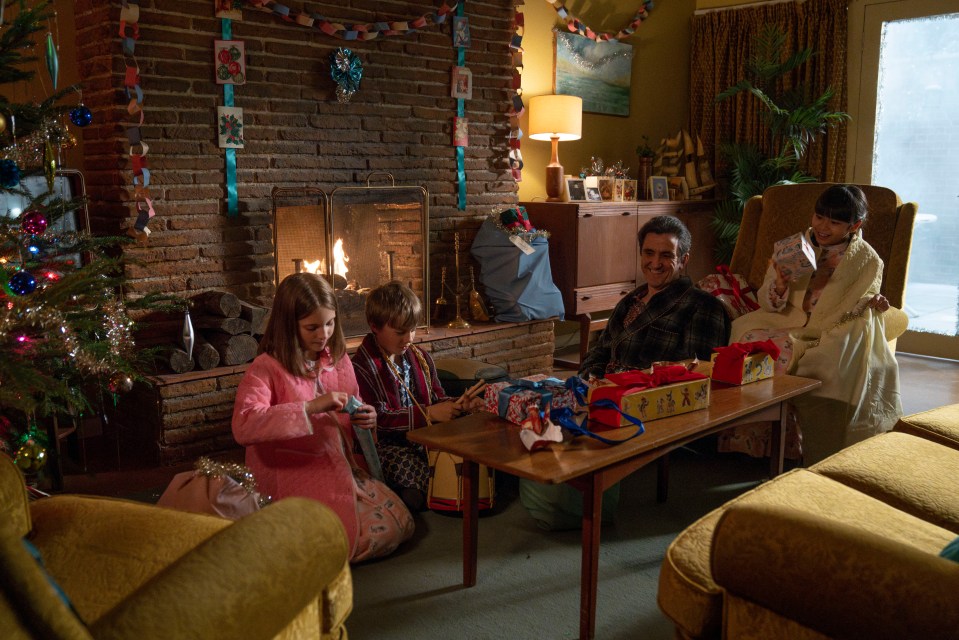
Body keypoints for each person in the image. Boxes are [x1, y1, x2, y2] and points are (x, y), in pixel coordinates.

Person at [232, 273, 413, 563]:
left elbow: (354, 406)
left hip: (338, 465)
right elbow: (245, 424)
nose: (323, 334)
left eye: (329, 324)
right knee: (371, 533)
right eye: (312, 327)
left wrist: (366, 417)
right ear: (289, 324)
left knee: (399, 523)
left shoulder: (338, 359)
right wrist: (311, 407)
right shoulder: (265, 367)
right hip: (293, 471)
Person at [718, 184, 901, 463]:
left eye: (835, 222)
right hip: (783, 320)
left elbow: (863, 298)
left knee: (820, 359)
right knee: (746, 337)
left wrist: (874, 302)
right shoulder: (795, 246)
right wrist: (779, 284)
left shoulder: (868, 260)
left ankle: (800, 449)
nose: (823, 227)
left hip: (829, 328)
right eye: (819, 217)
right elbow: (768, 302)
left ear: (855, 225)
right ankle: (750, 443)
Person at [351, 281, 484, 512]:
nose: (409, 338)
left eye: (413, 329)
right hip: (389, 445)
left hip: (423, 436)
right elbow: (378, 420)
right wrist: (428, 414)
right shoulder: (362, 367)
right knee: (407, 466)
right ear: (374, 326)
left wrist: (459, 405)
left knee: (470, 447)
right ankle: (416, 494)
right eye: (400, 332)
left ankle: (420, 493)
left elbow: (437, 397)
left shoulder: (420, 357)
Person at [579, 215, 731, 379]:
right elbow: (600, 352)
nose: (655, 263)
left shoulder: (704, 307)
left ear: (683, 260)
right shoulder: (629, 301)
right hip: (604, 394)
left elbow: (696, 375)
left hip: (648, 397)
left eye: (666, 255)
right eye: (649, 253)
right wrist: (590, 380)